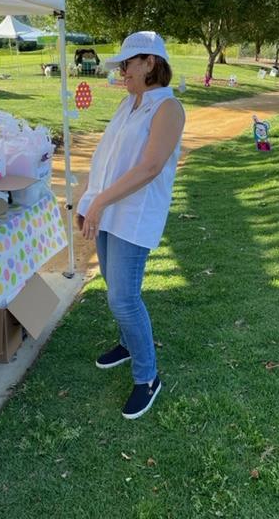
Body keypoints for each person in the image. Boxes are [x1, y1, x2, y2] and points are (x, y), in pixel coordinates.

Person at [75, 31, 185, 420]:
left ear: (150, 62)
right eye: (121, 66)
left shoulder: (168, 108)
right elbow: (106, 158)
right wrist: (89, 201)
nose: (122, 72)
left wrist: (99, 202)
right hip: (109, 211)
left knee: (123, 298)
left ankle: (147, 376)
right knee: (114, 285)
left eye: (128, 64)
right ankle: (126, 343)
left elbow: (150, 167)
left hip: (134, 216)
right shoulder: (129, 103)